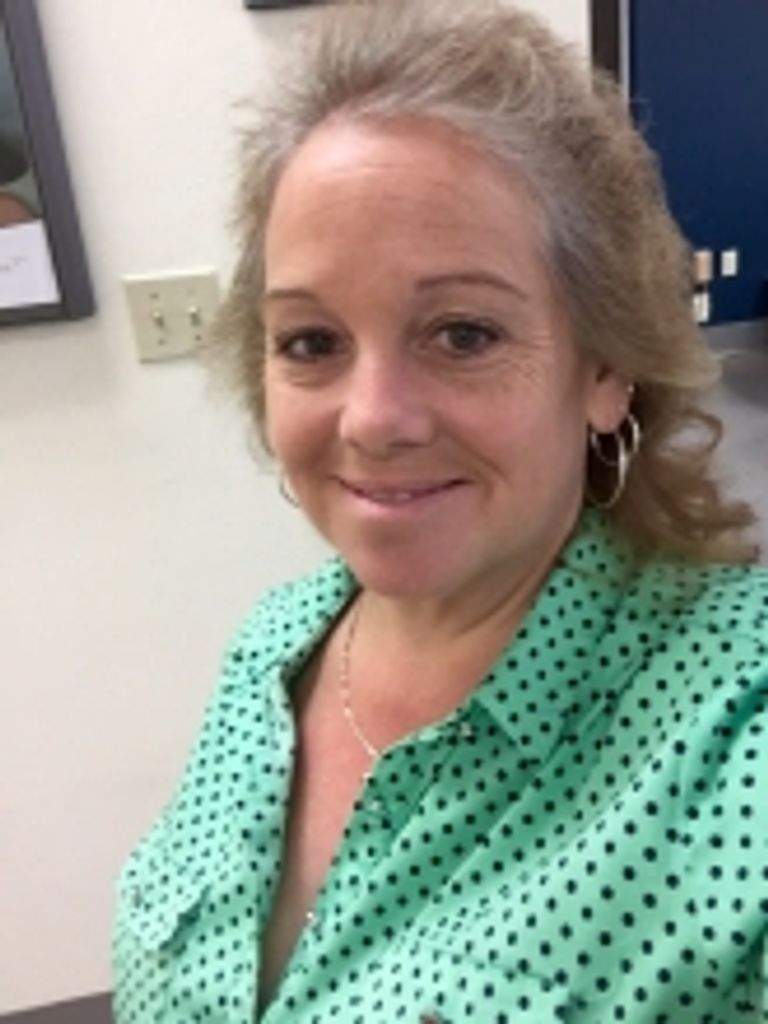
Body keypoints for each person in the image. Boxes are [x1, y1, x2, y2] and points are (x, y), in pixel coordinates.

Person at [113, 1, 768, 1021]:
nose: (373, 420)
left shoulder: (735, 738)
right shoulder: (271, 653)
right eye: (312, 342)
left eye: (463, 334)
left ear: (607, 370)